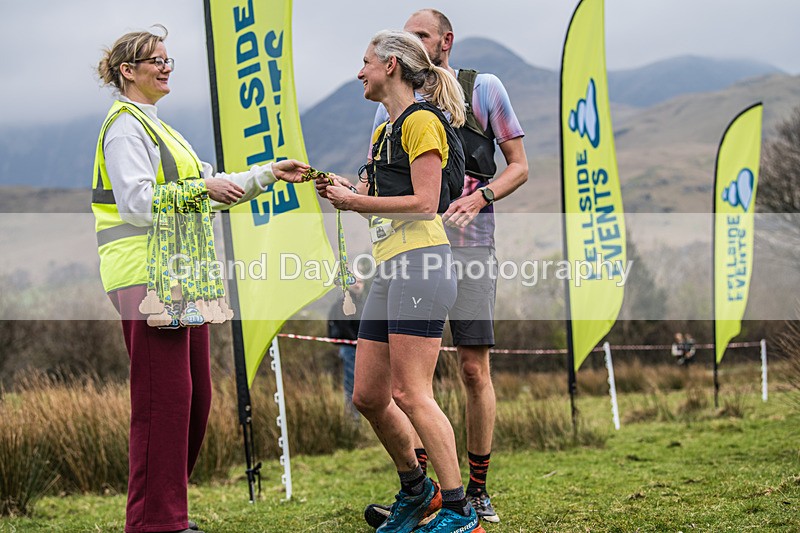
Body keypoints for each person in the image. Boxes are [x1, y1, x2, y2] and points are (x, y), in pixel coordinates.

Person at [93, 26, 309, 533]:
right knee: (162, 403)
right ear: (128, 71)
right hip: (146, 275)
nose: (166, 67)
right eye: (156, 60)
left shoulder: (160, 128)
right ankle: (155, 523)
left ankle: (166, 512)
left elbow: (213, 187)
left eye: (169, 59)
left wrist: (269, 173)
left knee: (192, 402)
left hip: (181, 275)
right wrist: (201, 189)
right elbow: (137, 204)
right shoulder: (124, 128)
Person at [295, 29, 483, 533]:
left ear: (391, 66)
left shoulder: (421, 121)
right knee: (369, 395)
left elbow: (425, 203)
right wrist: (334, 186)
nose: (360, 72)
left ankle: (460, 512)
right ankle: (417, 492)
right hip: (390, 267)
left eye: (366, 62)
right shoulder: (384, 132)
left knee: (412, 392)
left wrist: (355, 200)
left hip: (422, 264)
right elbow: (373, 200)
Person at [365, 9, 528, 526]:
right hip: (409, 251)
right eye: (406, 36)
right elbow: (381, 184)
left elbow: (520, 166)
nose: (412, 41)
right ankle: (426, 491)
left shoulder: (484, 89)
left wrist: (481, 198)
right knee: (407, 384)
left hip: (471, 248)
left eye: (421, 35)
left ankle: (474, 494)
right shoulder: (389, 113)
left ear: (445, 41)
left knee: (472, 370)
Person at [327, 278, 366, 418]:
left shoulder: (362, 302)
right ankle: (352, 420)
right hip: (350, 348)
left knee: (361, 386)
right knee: (352, 385)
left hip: (360, 349)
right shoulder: (345, 301)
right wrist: (358, 341)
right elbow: (344, 326)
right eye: (354, 281)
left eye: (360, 281)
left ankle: (357, 418)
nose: (357, 284)